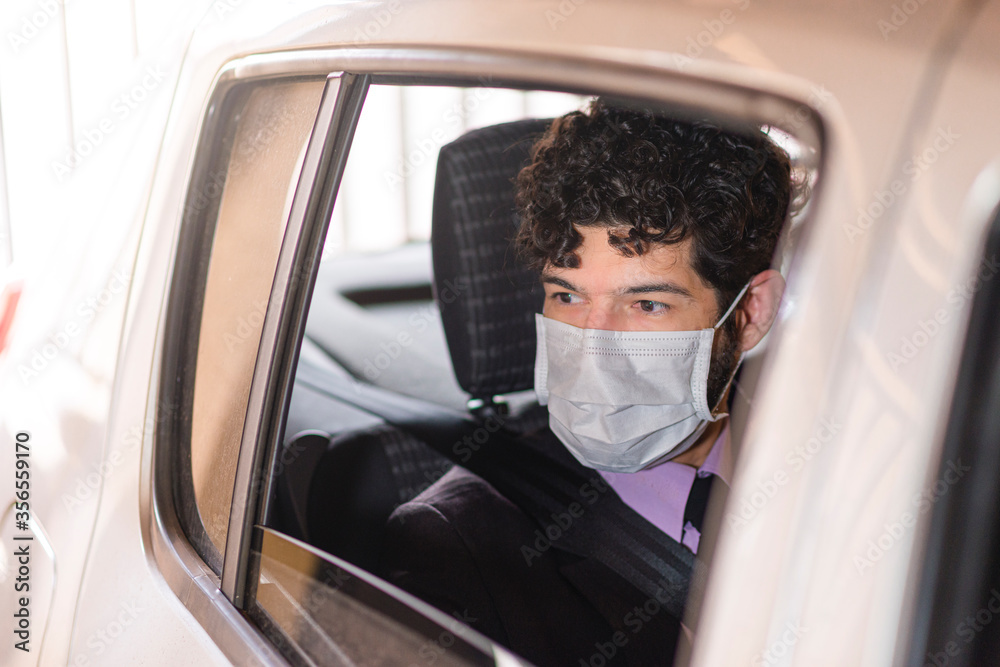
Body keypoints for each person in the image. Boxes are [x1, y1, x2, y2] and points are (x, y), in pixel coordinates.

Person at [381, 101, 797, 666]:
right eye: (568, 296)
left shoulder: (826, 464)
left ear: (750, 312)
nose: (594, 348)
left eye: (646, 303)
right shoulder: (458, 546)